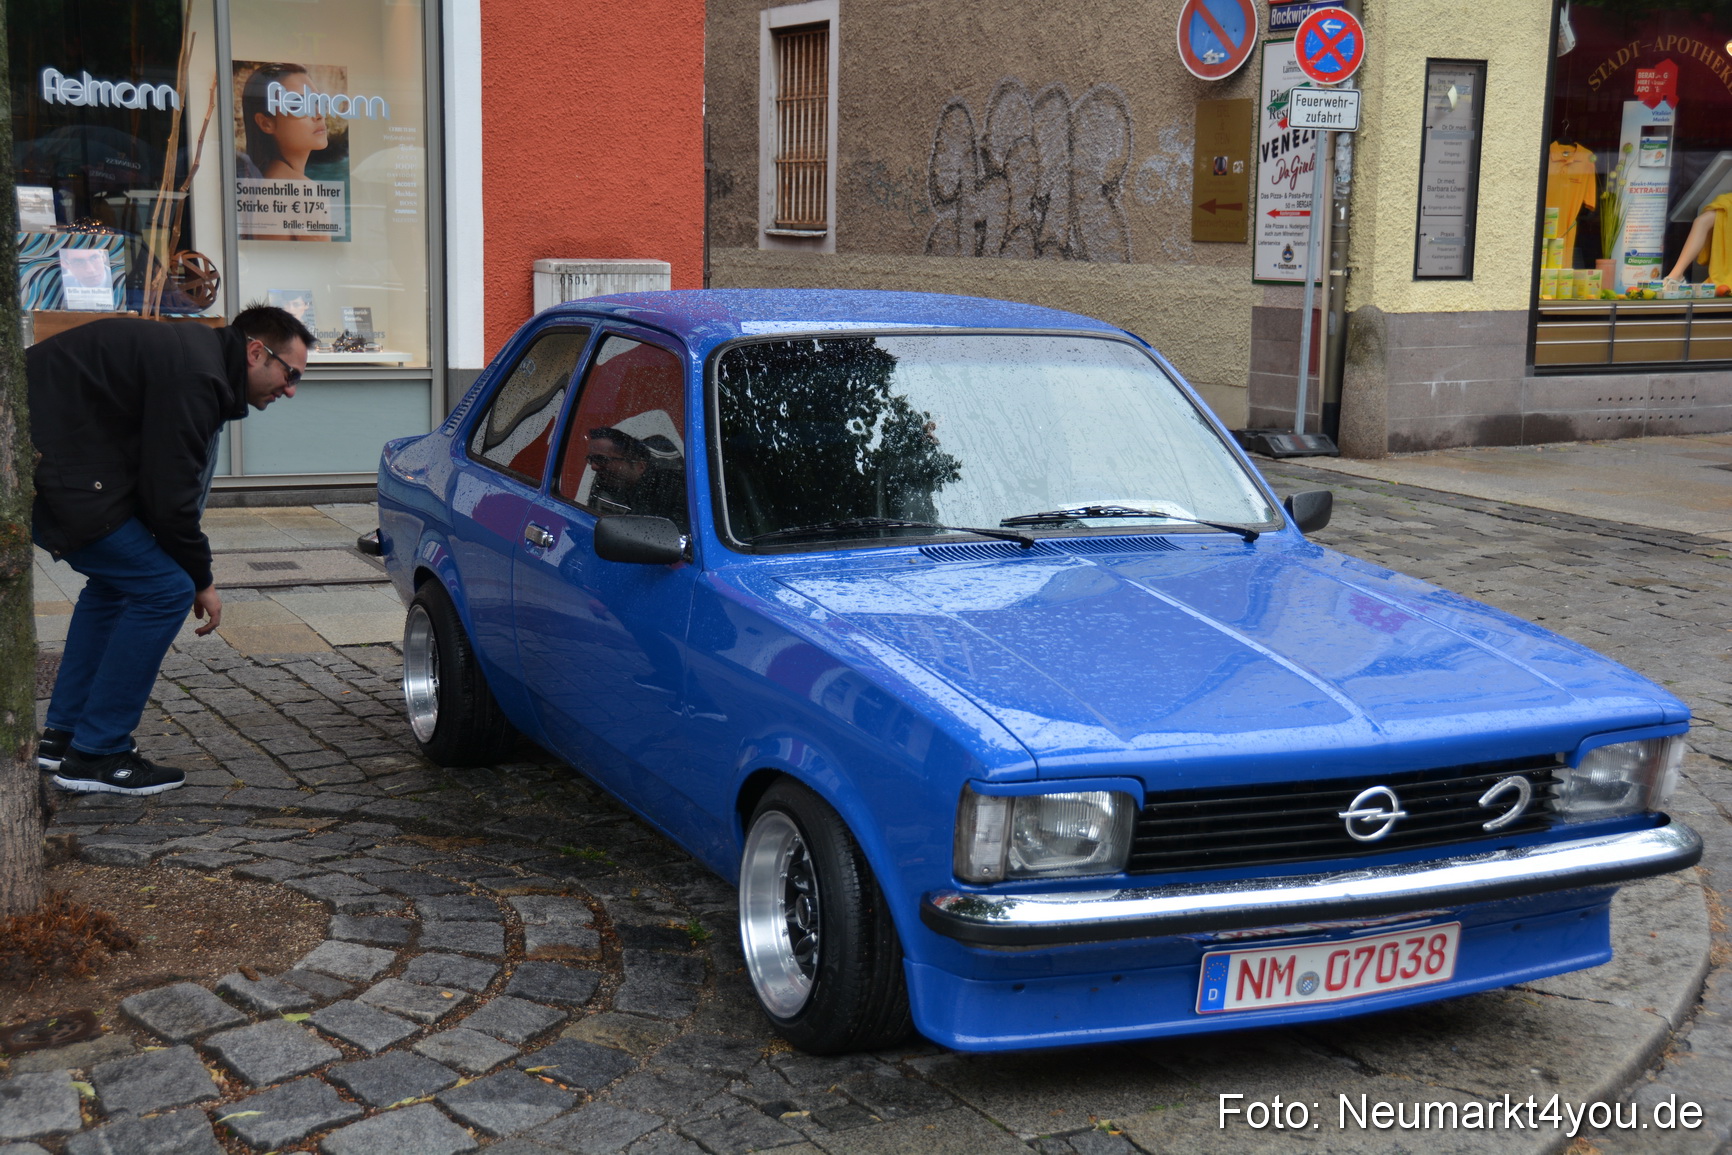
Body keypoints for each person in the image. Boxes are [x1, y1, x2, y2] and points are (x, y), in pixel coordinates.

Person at [30, 305, 313, 795]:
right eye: (291, 375)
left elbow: (160, 484)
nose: (291, 391)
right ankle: (97, 754)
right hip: (55, 476)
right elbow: (170, 499)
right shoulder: (196, 376)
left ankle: (64, 736)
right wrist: (201, 580)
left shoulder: (197, 360)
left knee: (117, 583)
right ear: (255, 352)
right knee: (164, 589)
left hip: (61, 469)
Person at [584, 426, 687, 527]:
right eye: (591, 459)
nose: (593, 466)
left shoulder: (671, 493)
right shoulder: (607, 486)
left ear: (640, 466)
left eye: (601, 459)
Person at [241, 63, 328, 180]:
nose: (319, 114)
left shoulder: (265, 178)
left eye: (318, 101)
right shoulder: (303, 188)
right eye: (299, 105)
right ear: (265, 123)